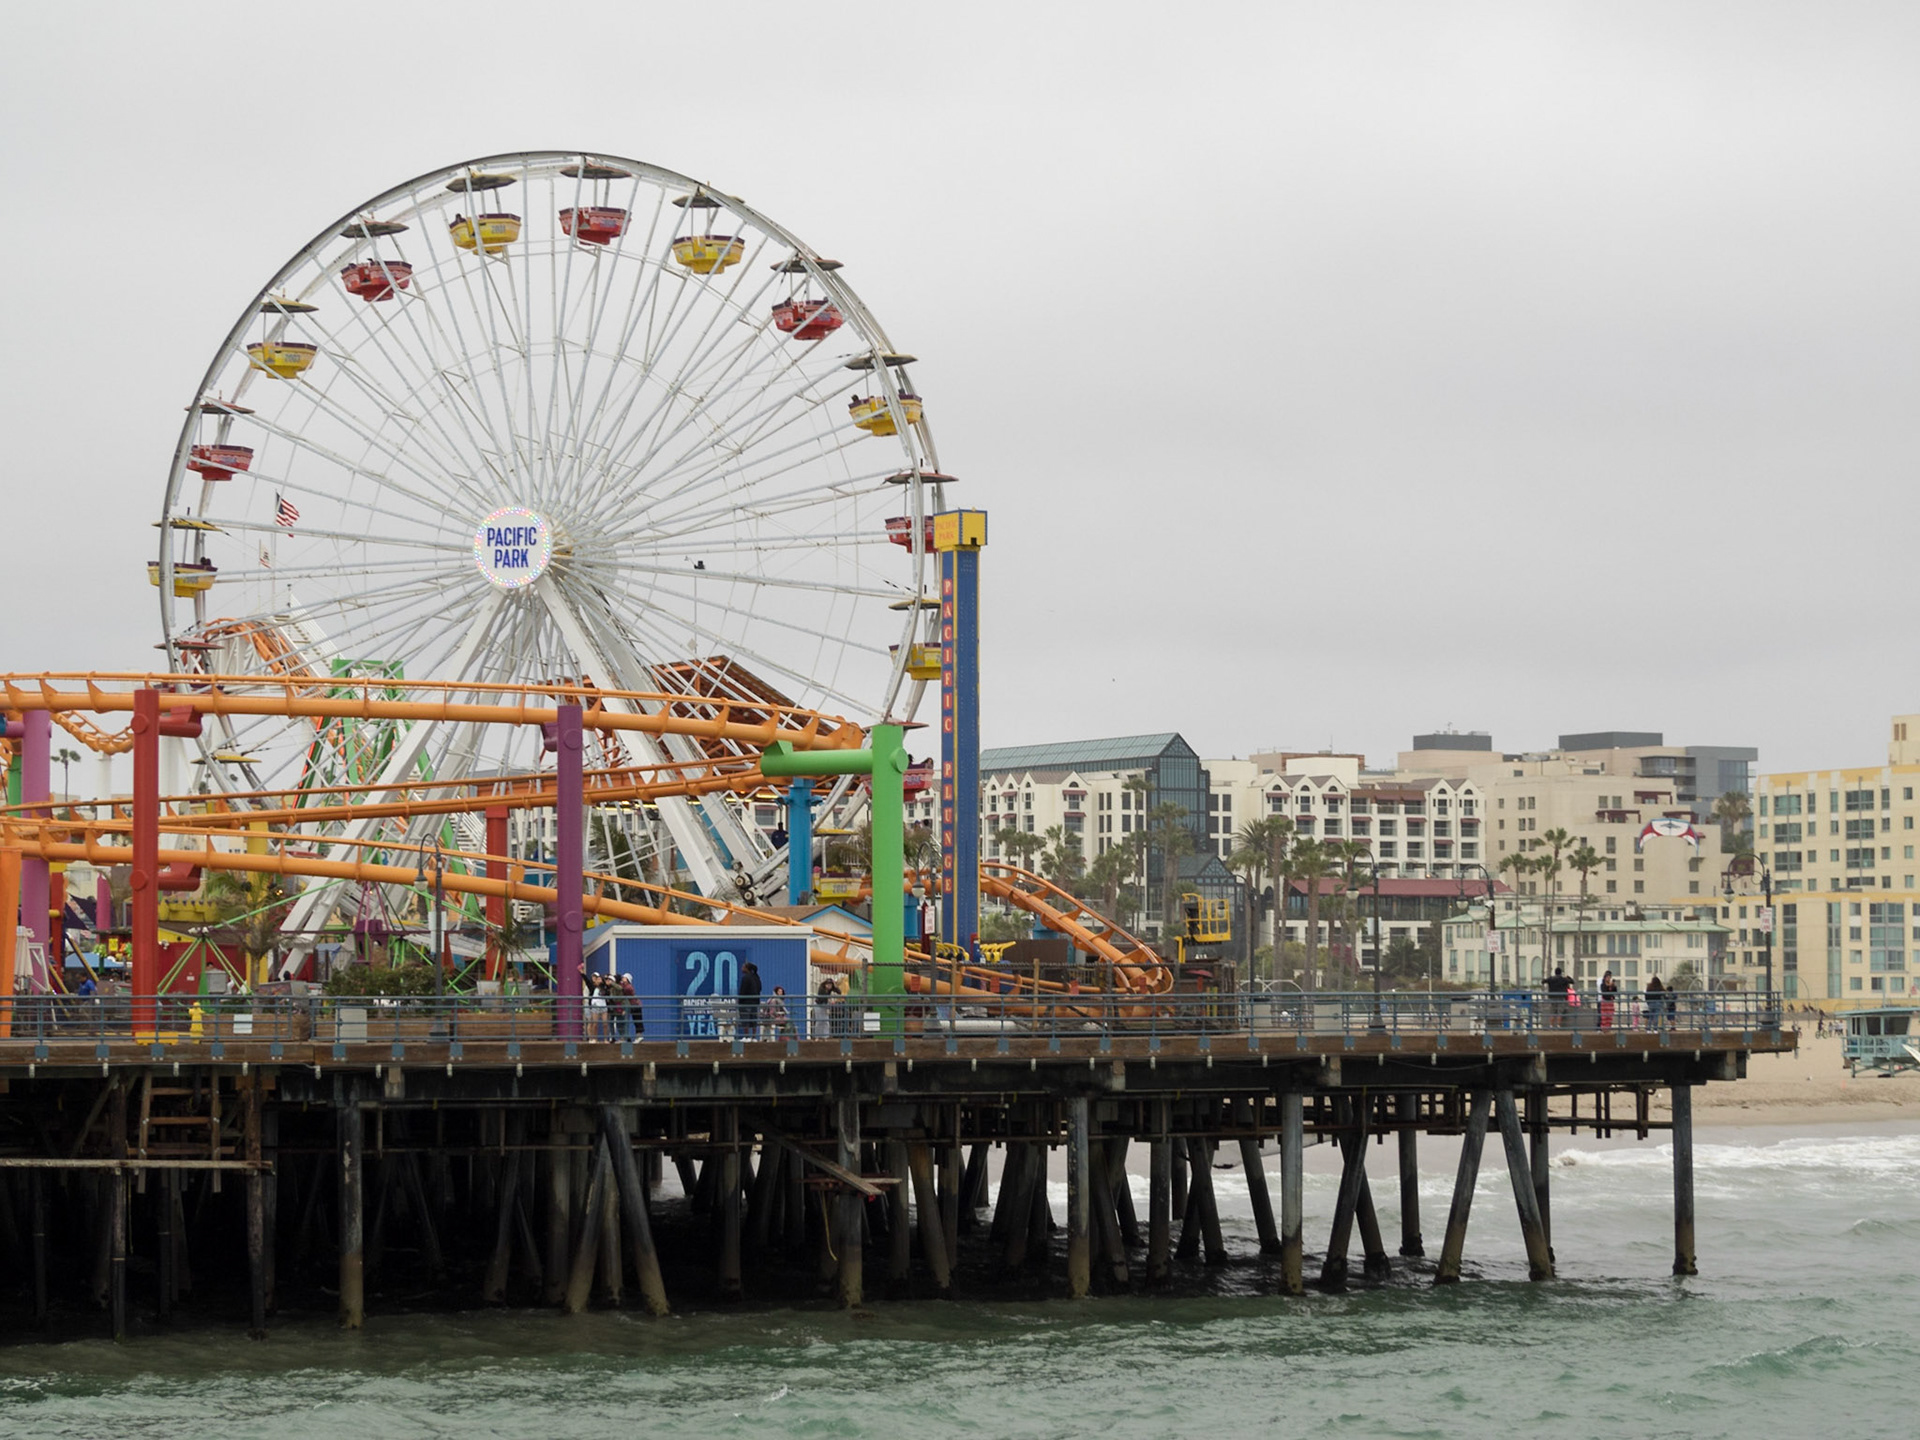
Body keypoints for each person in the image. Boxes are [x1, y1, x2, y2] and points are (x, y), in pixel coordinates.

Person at [738, 960, 763, 1039]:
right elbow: (760, 988)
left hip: (746, 1002)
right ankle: (754, 1037)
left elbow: (743, 990)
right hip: (755, 1002)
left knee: (745, 1019)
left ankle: (746, 1037)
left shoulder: (746, 978)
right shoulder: (756, 977)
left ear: (747, 968)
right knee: (753, 1019)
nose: (741, 968)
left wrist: (740, 1001)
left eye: (743, 967)